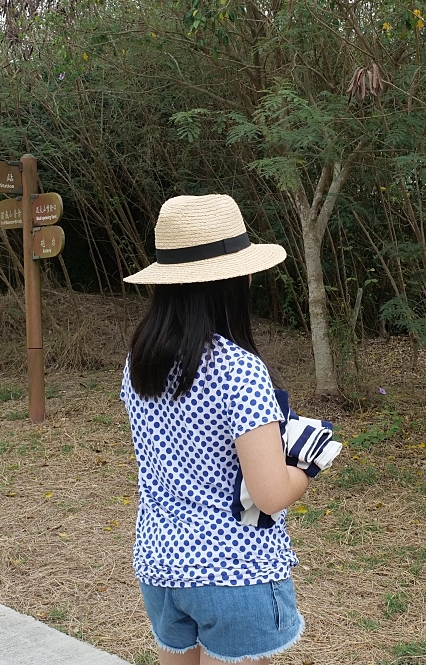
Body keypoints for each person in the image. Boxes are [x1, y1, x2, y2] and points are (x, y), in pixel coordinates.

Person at [120, 194, 311, 665]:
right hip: (234, 570)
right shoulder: (239, 369)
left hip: (160, 564)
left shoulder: (139, 363)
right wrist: (307, 466)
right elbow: (268, 494)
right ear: (234, 280)